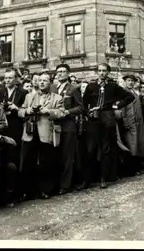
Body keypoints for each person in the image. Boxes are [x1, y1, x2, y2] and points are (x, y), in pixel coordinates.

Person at [82, 63, 134, 189]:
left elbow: (130, 96)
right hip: (93, 119)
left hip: (107, 118)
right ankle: (87, 180)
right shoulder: (91, 86)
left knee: (105, 150)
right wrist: (87, 114)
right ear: (97, 72)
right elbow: (84, 103)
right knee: (90, 150)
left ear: (108, 72)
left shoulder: (113, 86)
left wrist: (117, 106)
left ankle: (103, 179)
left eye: (104, 71)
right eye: (99, 70)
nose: (101, 73)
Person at [18, 72, 66, 199]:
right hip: (30, 132)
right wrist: (27, 111)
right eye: (40, 80)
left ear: (50, 83)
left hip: (46, 133)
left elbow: (62, 113)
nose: (42, 82)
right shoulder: (29, 96)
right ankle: (28, 191)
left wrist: (48, 111)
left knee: (46, 163)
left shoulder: (57, 98)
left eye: (45, 80)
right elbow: (20, 111)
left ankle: (45, 190)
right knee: (28, 162)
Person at [52, 64, 85, 194]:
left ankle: (65, 185)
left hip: (68, 126)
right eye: (58, 71)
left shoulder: (73, 88)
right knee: (55, 155)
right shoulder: (52, 88)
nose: (60, 73)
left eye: (63, 71)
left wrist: (67, 112)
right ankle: (55, 183)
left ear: (68, 73)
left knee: (67, 155)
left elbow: (81, 108)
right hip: (53, 125)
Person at [120, 74, 144, 173]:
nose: (131, 82)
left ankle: (137, 166)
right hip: (130, 122)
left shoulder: (134, 92)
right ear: (125, 81)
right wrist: (125, 122)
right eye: (128, 80)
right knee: (131, 145)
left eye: (132, 81)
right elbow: (122, 109)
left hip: (138, 122)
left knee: (138, 145)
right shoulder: (123, 93)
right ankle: (130, 170)